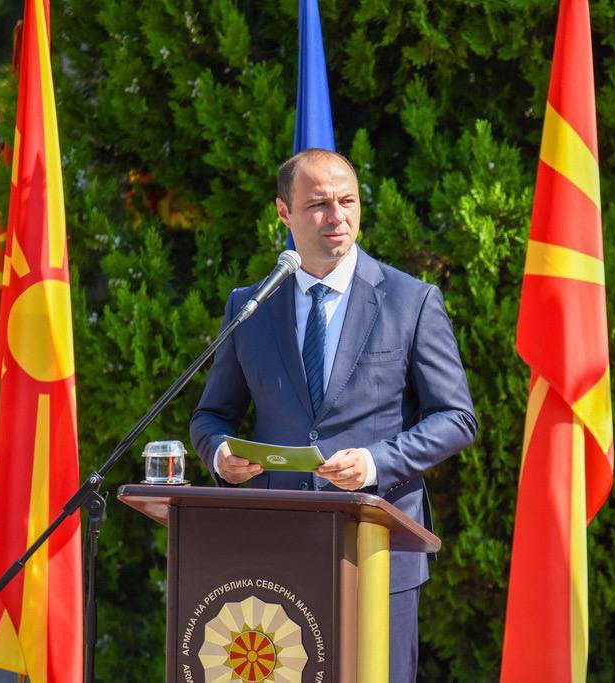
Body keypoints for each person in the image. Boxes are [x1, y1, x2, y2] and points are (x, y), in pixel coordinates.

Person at [190, 148, 477, 681]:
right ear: (284, 212)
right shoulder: (250, 306)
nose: (337, 216)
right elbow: (211, 416)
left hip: (378, 548)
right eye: (319, 204)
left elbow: (456, 417)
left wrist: (375, 462)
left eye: (348, 201)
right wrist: (221, 453)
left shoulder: (410, 301)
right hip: (277, 552)